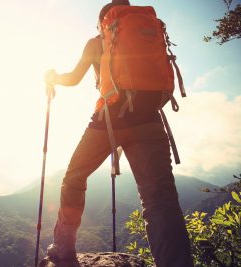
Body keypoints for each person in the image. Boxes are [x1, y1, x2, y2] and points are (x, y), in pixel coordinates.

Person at [43, 0, 194, 266]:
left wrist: (52, 77)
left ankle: (63, 248)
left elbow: (74, 78)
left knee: (74, 177)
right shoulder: (149, 31)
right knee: (160, 200)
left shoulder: (96, 42)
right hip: (149, 117)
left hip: (108, 121)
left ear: (104, 23)